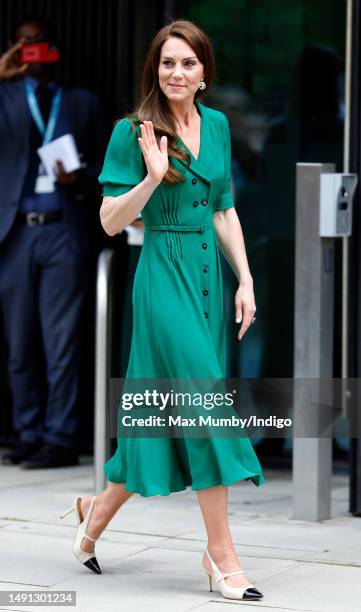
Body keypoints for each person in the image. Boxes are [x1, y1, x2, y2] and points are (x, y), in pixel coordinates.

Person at [60, 20, 265, 601]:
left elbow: (223, 211)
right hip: (163, 274)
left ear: (205, 72)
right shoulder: (134, 132)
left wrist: (245, 278)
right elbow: (108, 221)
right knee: (206, 407)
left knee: (159, 421)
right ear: (156, 68)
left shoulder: (219, 126)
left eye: (188, 64)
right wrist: (151, 178)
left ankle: (92, 517)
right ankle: (220, 556)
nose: (177, 73)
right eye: (167, 62)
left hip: (208, 277)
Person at [0, 15, 104, 468]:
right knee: (19, 343)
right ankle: (27, 431)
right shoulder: (4, 97)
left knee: (60, 342)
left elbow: (105, 165)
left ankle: (60, 437)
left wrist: (81, 180)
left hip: (65, 228)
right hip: (16, 230)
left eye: (41, 42)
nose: (34, 49)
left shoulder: (80, 102)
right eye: (25, 44)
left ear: (55, 48)